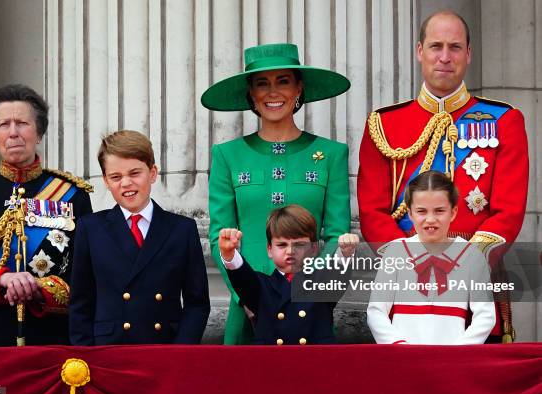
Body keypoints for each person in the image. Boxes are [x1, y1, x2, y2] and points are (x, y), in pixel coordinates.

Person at [357, 10, 528, 342]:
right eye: (436, 46)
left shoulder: (505, 120)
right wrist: (407, 262)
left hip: (474, 279)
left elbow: (508, 212)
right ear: (420, 51)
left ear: (469, 54)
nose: (445, 57)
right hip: (403, 286)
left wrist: (465, 263)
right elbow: (371, 210)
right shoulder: (384, 124)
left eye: (455, 47)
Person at [202, 43, 352, 344]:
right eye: (262, 84)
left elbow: (337, 233)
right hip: (247, 308)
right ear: (251, 94)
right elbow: (221, 234)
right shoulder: (227, 155)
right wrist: (245, 295)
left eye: (283, 81)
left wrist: (309, 291)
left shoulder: (331, 154)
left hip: (309, 310)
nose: (273, 92)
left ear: (299, 89)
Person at [0, 84, 93, 347]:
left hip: (52, 342)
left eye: (22, 123)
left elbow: (86, 276)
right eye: (4, 124)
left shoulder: (72, 194)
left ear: (39, 133)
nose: (13, 133)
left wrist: (39, 287)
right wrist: (2, 279)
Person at [69, 130, 210, 345]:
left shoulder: (182, 229)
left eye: (135, 173)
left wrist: (181, 351)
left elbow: (197, 303)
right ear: (106, 181)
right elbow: (81, 302)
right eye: (116, 177)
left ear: (153, 173)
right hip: (108, 351)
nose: (126, 183)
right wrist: (86, 356)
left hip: (165, 348)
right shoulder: (90, 228)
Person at [367, 171, 496, 344]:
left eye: (439, 211)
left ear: (453, 212)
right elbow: (376, 311)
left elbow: (485, 315)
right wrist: (398, 346)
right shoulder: (396, 251)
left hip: (452, 360)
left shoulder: (471, 255)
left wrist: (459, 351)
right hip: (402, 357)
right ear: (410, 213)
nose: (430, 219)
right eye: (421, 211)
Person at [219, 205, 358, 345]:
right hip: (273, 363)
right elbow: (242, 278)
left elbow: (337, 274)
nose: (290, 251)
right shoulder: (261, 286)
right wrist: (229, 254)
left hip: (315, 362)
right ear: (269, 249)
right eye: (282, 245)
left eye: (299, 244)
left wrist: (345, 253)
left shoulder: (321, 283)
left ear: (313, 249)